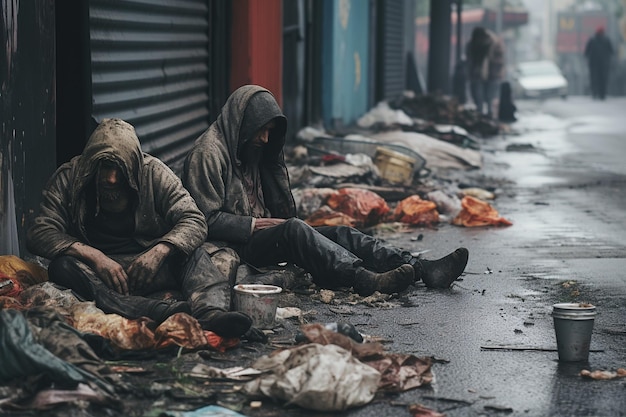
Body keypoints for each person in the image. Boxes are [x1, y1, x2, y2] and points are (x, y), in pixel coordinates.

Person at [182, 85, 469, 297]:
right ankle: (364, 279)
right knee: (296, 229)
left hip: (263, 235)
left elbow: (275, 196)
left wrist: (273, 218)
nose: (265, 138)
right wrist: (256, 224)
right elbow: (202, 220)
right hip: (232, 246)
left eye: (270, 131)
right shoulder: (208, 154)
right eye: (260, 130)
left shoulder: (251, 148)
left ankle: (422, 268)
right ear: (241, 125)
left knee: (340, 232)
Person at [27, 118, 253, 339]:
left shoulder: (154, 173)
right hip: (101, 278)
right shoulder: (70, 178)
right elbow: (39, 232)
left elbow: (193, 219)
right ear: (90, 164)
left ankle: (211, 314)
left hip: (149, 269)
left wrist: (160, 251)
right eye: (105, 167)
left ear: (134, 165)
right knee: (62, 267)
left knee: (193, 253)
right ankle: (153, 310)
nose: (112, 179)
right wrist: (95, 256)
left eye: (121, 171)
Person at [465, 27, 505, 117]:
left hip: (491, 76)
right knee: (479, 99)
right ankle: (482, 117)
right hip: (478, 75)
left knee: (489, 99)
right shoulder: (471, 45)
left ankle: (488, 117)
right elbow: (469, 61)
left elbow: (499, 61)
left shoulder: (494, 44)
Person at [584, 26, 613, 100]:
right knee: (603, 79)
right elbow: (611, 51)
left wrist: (587, 58)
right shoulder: (606, 40)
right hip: (604, 64)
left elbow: (587, 51)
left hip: (594, 64)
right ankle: (602, 94)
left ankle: (595, 93)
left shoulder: (592, 39)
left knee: (594, 79)